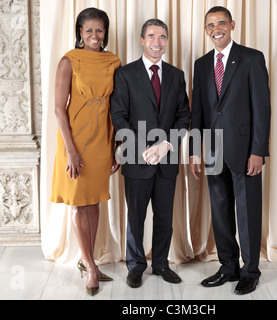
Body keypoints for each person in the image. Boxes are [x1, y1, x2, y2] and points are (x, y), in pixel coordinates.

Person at [189, 6, 271, 295]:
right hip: (212, 151)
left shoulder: (251, 58)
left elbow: (262, 109)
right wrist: (194, 152)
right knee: (220, 212)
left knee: (247, 211)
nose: (216, 29)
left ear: (232, 25)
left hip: (245, 150)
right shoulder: (200, 65)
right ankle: (228, 267)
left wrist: (258, 151)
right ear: (206, 30)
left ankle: (250, 271)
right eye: (210, 25)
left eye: (221, 23)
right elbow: (196, 112)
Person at [111, 19, 191, 289]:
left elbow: (184, 117)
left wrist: (166, 145)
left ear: (167, 41)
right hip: (137, 161)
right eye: (152, 36)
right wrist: (141, 150)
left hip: (167, 161)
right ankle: (135, 266)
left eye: (163, 37)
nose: (157, 42)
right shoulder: (125, 74)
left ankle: (161, 264)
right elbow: (119, 117)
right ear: (142, 40)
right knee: (135, 216)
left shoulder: (176, 75)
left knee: (165, 217)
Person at [50, 8, 121, 297]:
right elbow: (58, 108)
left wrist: (117, 146)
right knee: (80, 203)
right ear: (80, 31)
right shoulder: (69, 60)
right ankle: (90, 266)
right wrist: (71, 152)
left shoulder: (113, 61)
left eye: (100, 30)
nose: (95, 35)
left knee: (94, 202)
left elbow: (119, 105)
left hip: (102, 138)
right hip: (75, 140)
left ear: (106, 32)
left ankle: (86, 258)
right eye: (89, 30)